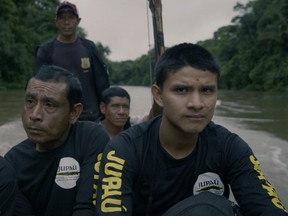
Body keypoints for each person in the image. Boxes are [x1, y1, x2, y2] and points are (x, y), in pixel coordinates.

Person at [95, 43, 288, 216]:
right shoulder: (123, 150)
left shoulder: (230, 147)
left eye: (206, 90)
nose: (197, 104)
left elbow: (265, 206)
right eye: (181, 90)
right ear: (158, 95)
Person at [5, 65, 110, 216]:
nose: (35, 115)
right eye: (30, 101)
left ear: (74, 113)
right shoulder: (12, 163)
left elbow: (86, 207)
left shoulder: (90, 137)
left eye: (49, 105)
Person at [36, 1, 110, 121]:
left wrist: (105, 111)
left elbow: (102, 82)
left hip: (90, 115)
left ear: (78, 21)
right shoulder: (46, 50)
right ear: (56, 22)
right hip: (58, 116)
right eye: (62, 18)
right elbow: (40, 87)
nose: (66, 22)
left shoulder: (89, 47)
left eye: (71, 18)